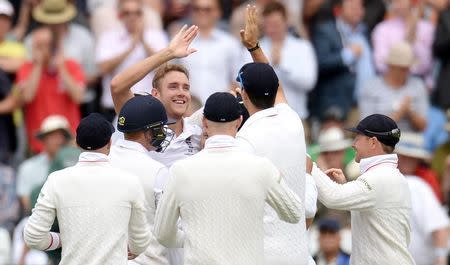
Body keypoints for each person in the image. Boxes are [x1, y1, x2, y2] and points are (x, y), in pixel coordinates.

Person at [154, 92, 302, 265]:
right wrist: (276, 178)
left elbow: (162, 233)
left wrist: (190, 240)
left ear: (204, 122)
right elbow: (293, 213)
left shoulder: (180, 171)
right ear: (239, 121)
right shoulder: (261, 167)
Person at [24, 113, 152, 264]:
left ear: (77, 144)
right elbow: (141, 240)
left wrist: (62, 239)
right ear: (110, 143)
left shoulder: (56, 180)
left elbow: (33, 237)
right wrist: (132, 248)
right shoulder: (130, 181)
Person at [237, 6, 308, 264]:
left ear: (243, 94)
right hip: (299, 253)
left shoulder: (245, 139)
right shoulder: (293, 120)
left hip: (263, 254)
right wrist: (255, 47)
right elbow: (274, 84)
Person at [310, 114, 415, 264]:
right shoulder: (387, 175)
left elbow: (333, 197)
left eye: (357, 138)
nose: (353, 144)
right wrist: (346, 187)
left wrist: (309, 165)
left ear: (373, 142)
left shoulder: (380, 178)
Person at [110, 25, 202, 167]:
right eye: (173, 86)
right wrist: (169, 52)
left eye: (186, 88)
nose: (181, 93)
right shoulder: (139, 121)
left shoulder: (198, 129)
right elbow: (117, 87)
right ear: (155, 94)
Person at [109, 95, 174, 265]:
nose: (164, 132)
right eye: (161, 128)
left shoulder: (105, 160)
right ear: (148, 132)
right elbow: (171, 227)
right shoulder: (158, 171)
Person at [240, 1, 317, 120]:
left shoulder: (302, 47)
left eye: (276, 24)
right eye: (268, 25)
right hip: (262, 118)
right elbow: (243, 81)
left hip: (296, 117)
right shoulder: (253, 47)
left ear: (286, 21)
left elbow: (309, 82)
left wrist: (282, 64)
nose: (272, 29)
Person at [16, 27, 85, 153]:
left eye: (46, 45)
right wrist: (38, 65)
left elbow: (79, 97)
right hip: (40, 145)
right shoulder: (26, 68)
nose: (43, 50)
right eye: (38, 46)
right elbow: (27, 96)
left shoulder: (71, 65)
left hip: (70, 143)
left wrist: (62, 69)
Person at [96, 0, 168, 121]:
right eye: (127, 13)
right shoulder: (108, 37)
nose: (132, 17)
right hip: (115, 106)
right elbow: (102, 68)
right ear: (120, 15)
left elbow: (164, 68)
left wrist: (143, 41)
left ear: (143, 15)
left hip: (148, 104)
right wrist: (130, 48)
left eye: (136, 13)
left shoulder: (157, 36)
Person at [310, 0, 374, 121]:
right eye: (353, 6)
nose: (358, 10)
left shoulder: (364, 31)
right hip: (338, 106)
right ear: (339, 10)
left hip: (366, 104)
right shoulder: (326, 30)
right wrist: (347, 55)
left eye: (360, 6)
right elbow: (321, 63)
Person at [396, 133, 449, 265]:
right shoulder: (407, 184)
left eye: (411, 158)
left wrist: (440, 260)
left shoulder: (417, 185)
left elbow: (440, 228)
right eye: (404, 156)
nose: (407, 161)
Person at [177, 0, 240, 103]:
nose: (202, 13)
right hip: (187, 106)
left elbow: (236, 80)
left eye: (207, 9)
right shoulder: (180, 42)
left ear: (218, 12)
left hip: (219, 108)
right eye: (197, 9)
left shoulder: (230, 43)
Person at [359, 42, 428, 132]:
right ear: (391, 66)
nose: (407, 71)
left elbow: (423, 127)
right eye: (403, 68)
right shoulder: (371, 86)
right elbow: (366, 127)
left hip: (412, 141)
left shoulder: (418, 85)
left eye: (408, 67)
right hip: (381, 141)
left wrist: (410, 113)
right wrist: (399, 113)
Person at [16, 115, 72, 213]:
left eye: (63, 137)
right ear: (44, 140)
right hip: (37, 219)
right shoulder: (28, 167)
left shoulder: (75, 166)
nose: (59, 141)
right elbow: (28, 205)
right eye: (54, 137)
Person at [372, 0, 435, 86]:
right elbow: (380, 64)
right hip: (389, 83)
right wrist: (403, 70)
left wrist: (413, 38)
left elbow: (426, 64)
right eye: (395, 1)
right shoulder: (382, 28)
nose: (397, 4)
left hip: (419, 82)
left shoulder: (427, 28)